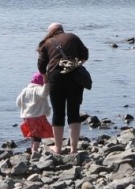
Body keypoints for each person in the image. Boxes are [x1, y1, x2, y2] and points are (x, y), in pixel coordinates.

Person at [35, 22, 90, 154]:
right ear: (61, 30)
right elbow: (85, 55)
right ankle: (74, 149)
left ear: (51, 31)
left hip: (56, 78)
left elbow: (41, 66)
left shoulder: (47, 43)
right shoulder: (73, 37)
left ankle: (58, 148)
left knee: (58, 113)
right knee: (74, 112)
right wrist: (75, 65)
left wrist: (45, 78)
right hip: (75, 77)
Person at [15, 71, 52, 156]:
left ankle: (33, 148)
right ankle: (35, 151)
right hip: (38, 117)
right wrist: (47, 84)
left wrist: (26, 106)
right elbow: (44, 94)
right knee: (38, 136)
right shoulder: (38, 89)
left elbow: (18, 102)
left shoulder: (25, 90)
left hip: (27, 118)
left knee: (34, 134)